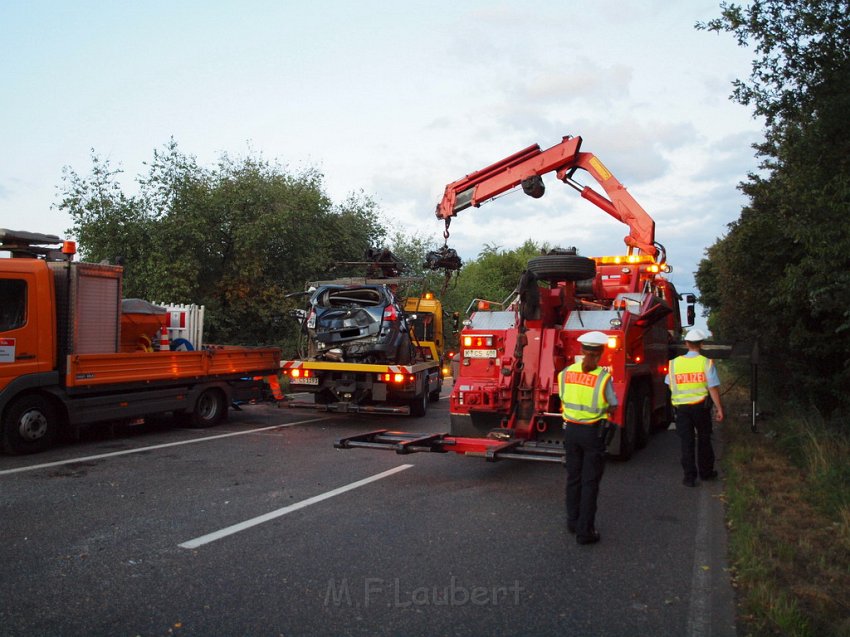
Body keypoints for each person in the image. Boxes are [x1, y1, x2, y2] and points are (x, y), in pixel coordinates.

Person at [558, 330, 618, 545]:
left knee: (573, 478)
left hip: (571, 431)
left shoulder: (565, 373)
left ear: (581, 350)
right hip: (593, 433)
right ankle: (585, 531)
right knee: (590, 481)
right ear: (600, 352)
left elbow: (563, 397)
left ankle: (572, 521)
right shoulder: (602, 377)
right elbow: (612, 404)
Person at [667, 328, 725, 487]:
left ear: (686, 343)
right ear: (701, 344)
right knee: (704, 440)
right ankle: (706, 473)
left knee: (687, 442)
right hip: (701, 408)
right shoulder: (706, 362)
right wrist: (719, 408)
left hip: (682, 410)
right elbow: (712, 387)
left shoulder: (674, 364)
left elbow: (669, 383)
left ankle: (689, 477)